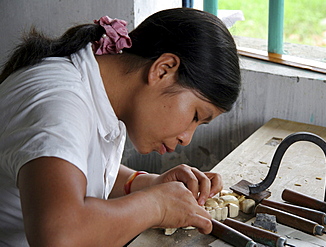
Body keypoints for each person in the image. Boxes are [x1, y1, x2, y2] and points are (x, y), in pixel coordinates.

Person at [0, 7, 240, 246]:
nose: (187, 138)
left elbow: (73, 171)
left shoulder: (89, 84)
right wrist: (156, 206)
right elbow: (61, 237)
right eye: (196, 116)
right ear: (163, 70)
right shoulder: (59, 105)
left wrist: (146, 184)